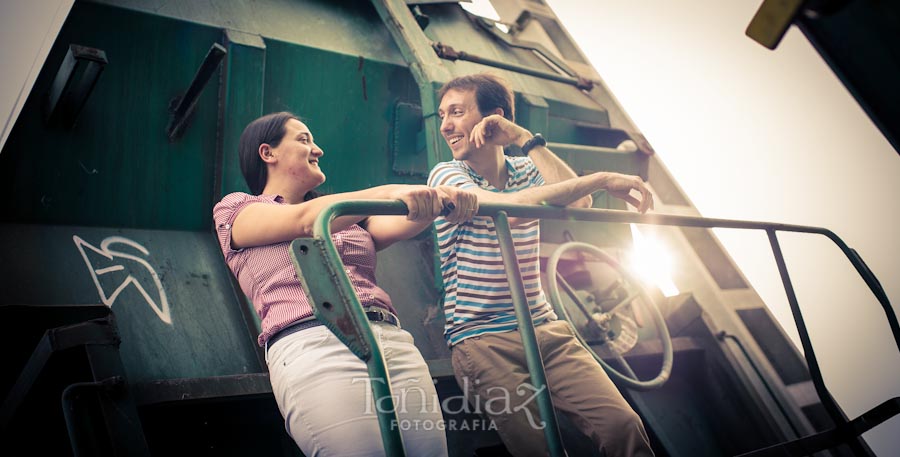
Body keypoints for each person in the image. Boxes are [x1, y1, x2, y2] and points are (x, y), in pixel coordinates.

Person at [213, 111, 478, 457]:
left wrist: (443, 199)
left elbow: (406, 220)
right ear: (268, 153)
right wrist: (396, 190)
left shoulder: (352, 220)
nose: (318, 149)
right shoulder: (237, 209)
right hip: (314, 345)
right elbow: (307, 221)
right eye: (304, 139)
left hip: (392, 343)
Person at [427, 74, 656, 457]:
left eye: (457, 112)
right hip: (484, 343)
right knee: (543, 451)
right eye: (442, 115)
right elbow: (509, 212)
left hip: (546, 329)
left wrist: (522, 137)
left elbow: (578, 203)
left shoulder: (522, 169)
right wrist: (599, 178)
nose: (446, 125)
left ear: (492, 117)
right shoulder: (447, 175)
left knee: (624, 428)